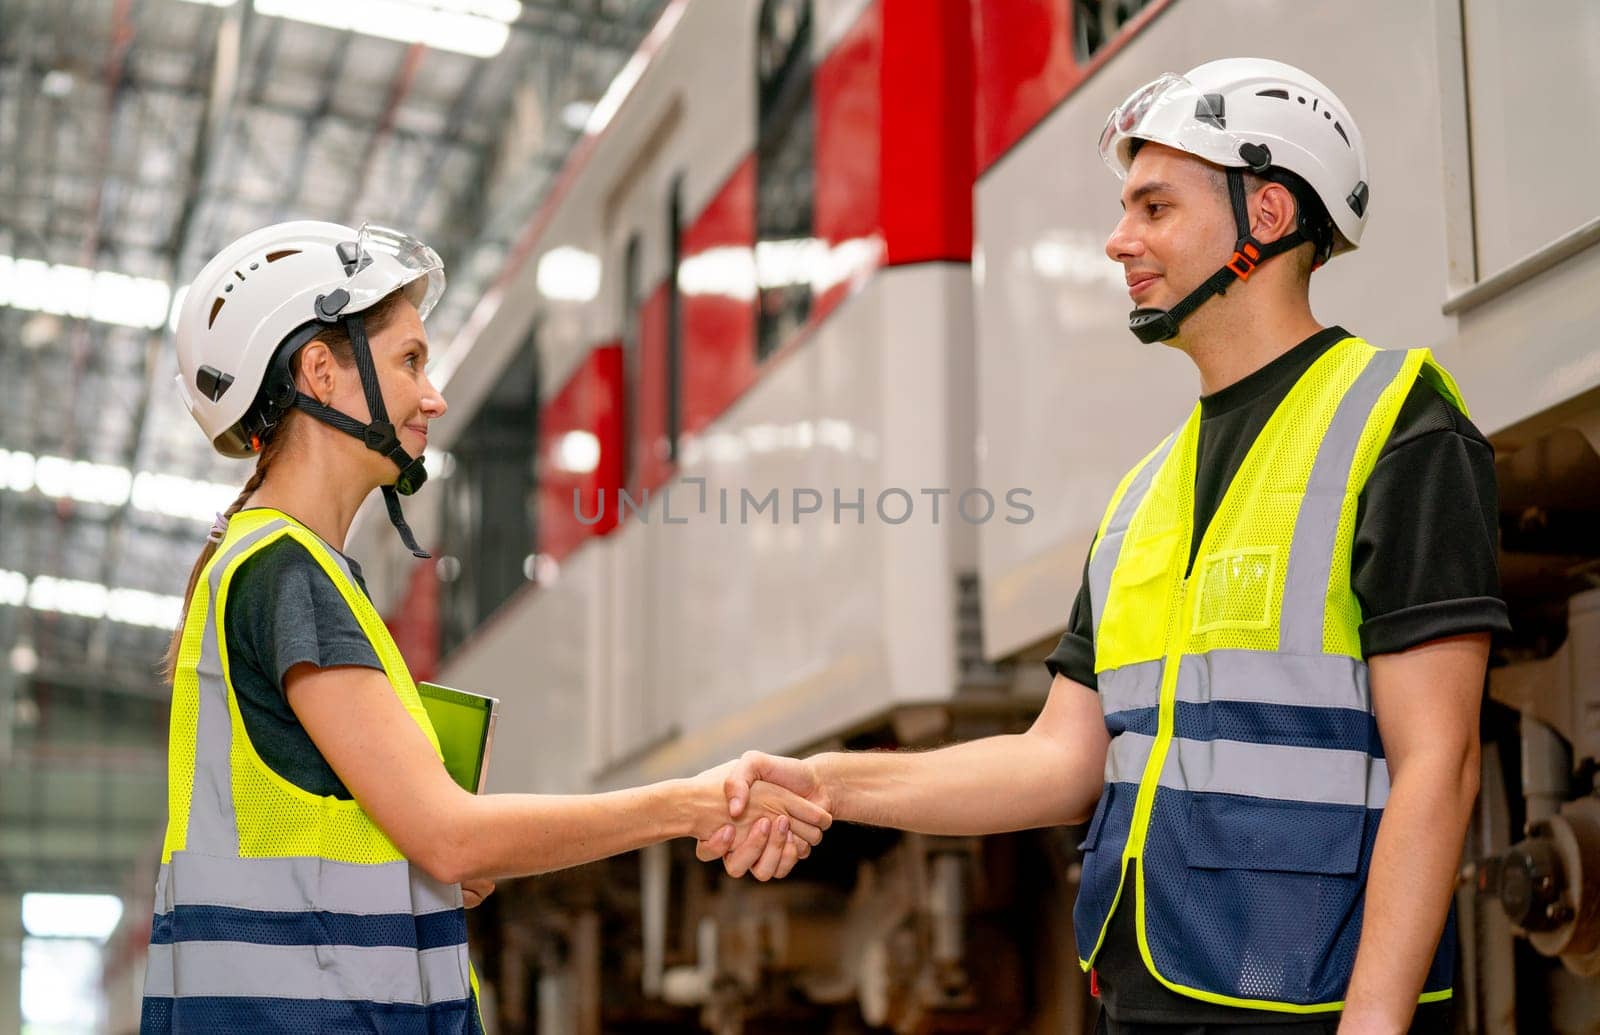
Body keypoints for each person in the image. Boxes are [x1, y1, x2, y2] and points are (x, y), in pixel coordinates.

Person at [700, 58, 1509, 1034]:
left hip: (1311, 1002)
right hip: (1147, 999)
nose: (1118, 240)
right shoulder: (1141, 497)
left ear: (1264, 215)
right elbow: (1057, 760)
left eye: (1155, 207)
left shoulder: (1398, 425)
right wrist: (828, 781)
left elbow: (1440, 758)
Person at [142, 220, 830, 1032]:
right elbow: (451, 838)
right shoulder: (288, 576)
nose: (433, 396)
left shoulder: (278, 567)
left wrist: (408, 871)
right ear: (319, 373)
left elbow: (351, 845)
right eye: (409, 361)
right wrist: (693, 803)